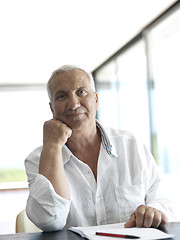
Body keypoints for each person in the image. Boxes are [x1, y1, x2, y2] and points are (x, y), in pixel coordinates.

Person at [25, 65, 175, 232]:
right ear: (52, 108)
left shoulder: (131, 145)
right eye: (62, 96)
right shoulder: (38, 159)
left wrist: (154, 210)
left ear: (96, 100)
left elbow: (164, 199)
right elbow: (49, 220)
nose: (74, 104)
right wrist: (52, 146)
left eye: (81, 92)